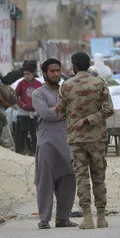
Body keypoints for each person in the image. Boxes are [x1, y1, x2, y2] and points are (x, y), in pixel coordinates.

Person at [57, 52, 114, 229]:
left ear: (74, 66)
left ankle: (87, 217)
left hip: (76, 139)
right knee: (99, 176)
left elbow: (61, 112)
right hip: (97, 138)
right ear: (88, 65)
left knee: (81, 176)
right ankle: (102, 217)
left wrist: (77, 118)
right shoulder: (99, 84)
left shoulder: (66, 86)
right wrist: (91, 119)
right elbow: (108, 110)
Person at [32, 58, 77, 229]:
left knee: (68, 180)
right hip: (47, 143)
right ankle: (44, 220)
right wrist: (66, 112)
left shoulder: (66, 90)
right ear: (44, 73)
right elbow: (45, 114)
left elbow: (75, 110)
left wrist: (59, 110)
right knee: (45, 183)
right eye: (52, 71)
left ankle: (63, 218)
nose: (56, 74)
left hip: (67, 142)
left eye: (58, 70)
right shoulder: (39, 93)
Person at [15, 66, 42, 154]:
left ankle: (36, 153)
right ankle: (21, 152)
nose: (26, 76)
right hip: (23, 115)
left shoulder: (38, 84)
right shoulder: (21, 84)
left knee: (35, 136)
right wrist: (22, 104)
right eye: (25, 74)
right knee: (21, 136)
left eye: (28, 74)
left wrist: (38, 105)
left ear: (33, 74)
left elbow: (42, 97)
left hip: (35, 114)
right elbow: (15, 96)